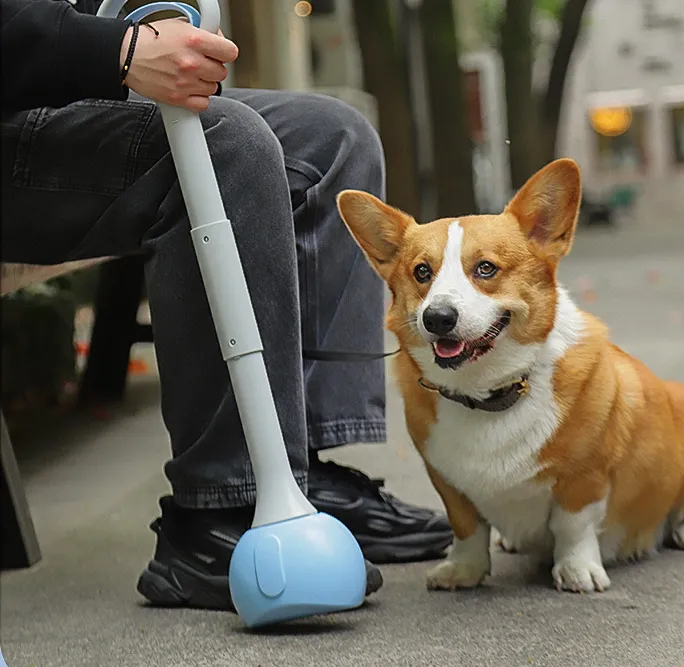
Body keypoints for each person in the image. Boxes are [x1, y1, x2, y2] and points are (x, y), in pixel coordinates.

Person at [1, 0, 452, 610]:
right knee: (227, 145)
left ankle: (301, 470)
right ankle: (217, 511)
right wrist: (118, 51)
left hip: (66, 93)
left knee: (332, 140)